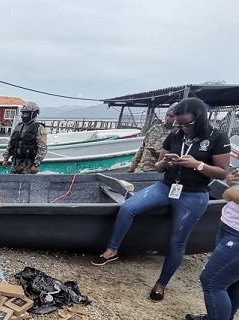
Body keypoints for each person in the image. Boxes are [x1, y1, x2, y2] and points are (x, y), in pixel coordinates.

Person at [91, 98, 230, 302]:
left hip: (193, 193)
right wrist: (164, 162)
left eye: (186, 124)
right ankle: (112, 250)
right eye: (178, 124)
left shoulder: (217, 137)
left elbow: (221, 173)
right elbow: (158, 167)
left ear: (198, 119)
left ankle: (161, 283)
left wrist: (197, 165)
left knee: (177, 241)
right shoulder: (175, 135)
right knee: (128, 207)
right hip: (167, 186)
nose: (181, 127)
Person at [179, 170, 239, 320]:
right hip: (231, 227)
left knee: (212, 280)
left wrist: (230, 192)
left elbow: (230, 194)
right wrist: (232, 182)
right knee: (232, 280)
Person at [2, 101, 48, 174]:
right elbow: (11, 144)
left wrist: (35, 165)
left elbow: (42, 149)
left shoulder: (39, 129)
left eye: (26, 114)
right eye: (22, 113)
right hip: (15, 163)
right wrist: (6, 158)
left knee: (27, 184)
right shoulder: (19, 126)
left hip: (29, 165)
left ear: (33, 114)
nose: (23, 116)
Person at [128, 105, 177, 172]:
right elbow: (142, 148)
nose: (167, 118)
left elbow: (178, 156)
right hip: (140, 169)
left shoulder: (178, 134)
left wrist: (162, 154)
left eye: (171, 116)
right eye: (166, 115)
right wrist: (132, 168)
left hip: (156, 172)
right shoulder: (155, 128)